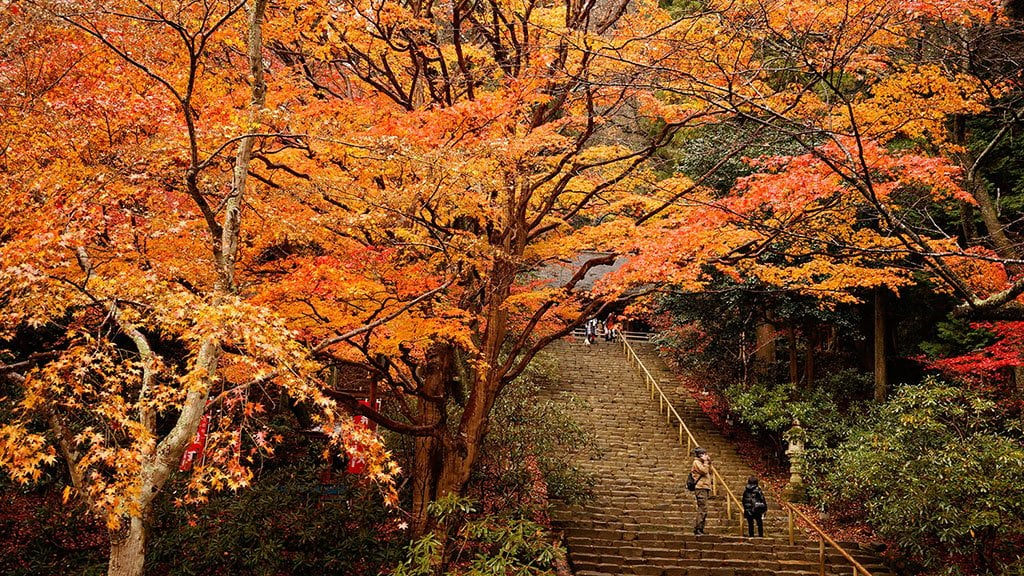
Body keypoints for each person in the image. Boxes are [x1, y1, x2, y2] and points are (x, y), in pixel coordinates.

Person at [691, 447, 712, 535]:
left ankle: (701, 528)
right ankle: (698, 528)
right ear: (700, 455)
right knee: (702, 508)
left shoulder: (703, 463)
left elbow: (709, 471)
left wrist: (708, 462)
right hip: (700, 487)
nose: (706, 456)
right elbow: (704, 471)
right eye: (704, 454)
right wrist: (706, 462)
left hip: (705, 487)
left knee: (705, 509)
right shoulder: (696, 462)